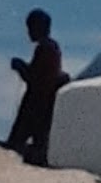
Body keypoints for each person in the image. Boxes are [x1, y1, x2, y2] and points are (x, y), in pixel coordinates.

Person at [5, 9, 68, 166]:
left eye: (31, 27)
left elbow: (36, 79)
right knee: (33, 144)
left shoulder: (46, 48)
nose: (29, 32)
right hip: (41, 105)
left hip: (36, 106)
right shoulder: (51, 47)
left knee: (16, 144)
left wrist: (20, 67)